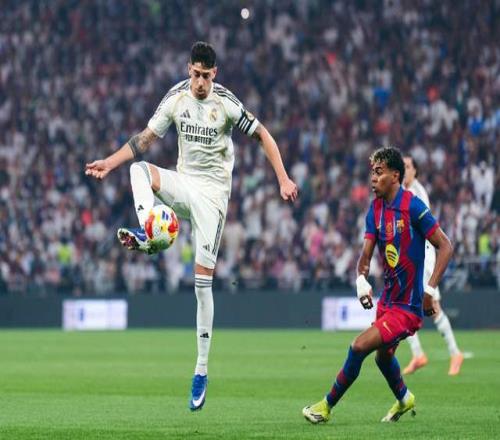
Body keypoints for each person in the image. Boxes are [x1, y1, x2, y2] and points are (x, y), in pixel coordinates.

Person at [85, 41, 298, 411]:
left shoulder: (226, 103)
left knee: (202, 285)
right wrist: (109, 161)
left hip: (213, 199)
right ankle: (150, 230)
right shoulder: (177, 98)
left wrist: (282, 178)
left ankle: (201, 369)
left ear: (215, 74)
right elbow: (144, 140)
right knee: (139, 171)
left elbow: (263, 134)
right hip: (184, 184)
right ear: (189, 69)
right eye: (196, 74)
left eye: (206, 76)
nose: (200, 82)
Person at [302, 147, 453, 424]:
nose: (373, 178)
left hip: (407, 307)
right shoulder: (375, 210)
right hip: (387, 302)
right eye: (372, 172)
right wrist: (361, 280)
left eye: (379, 172)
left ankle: (325, 407)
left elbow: (445, 246)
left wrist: (430, 290)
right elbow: (365, 254)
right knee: (383, 358)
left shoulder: (413, 206)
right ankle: (405, 398)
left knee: (358, 346)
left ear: (395, 176)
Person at [402, 156, 464, 375]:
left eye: (408, 166)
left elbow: (420, 226)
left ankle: (453, 353)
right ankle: (420, 354)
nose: (404, 169)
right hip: (412, 255)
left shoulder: (417, 193)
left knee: (430, 306)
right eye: (402, 166)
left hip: (423, 255)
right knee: (404, 304)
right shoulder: (404, 190)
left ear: (415, 171)